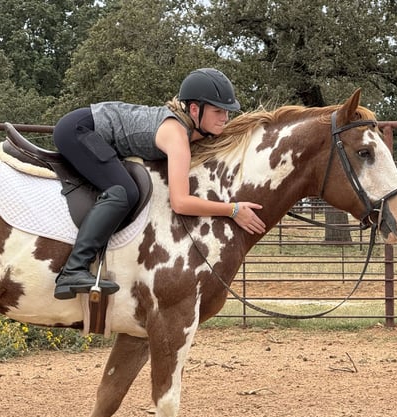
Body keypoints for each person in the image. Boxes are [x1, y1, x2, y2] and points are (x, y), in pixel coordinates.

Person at [52, 67, 267, 300]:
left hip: (84, 125)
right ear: (195, 109)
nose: (225, 118)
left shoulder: (186, 128)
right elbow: (181, 203)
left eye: (227, 112)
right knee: (124, 192)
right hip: (77, 131)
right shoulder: (176, 136)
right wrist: (233, 210)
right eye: (218, 111)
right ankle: (73, 270)